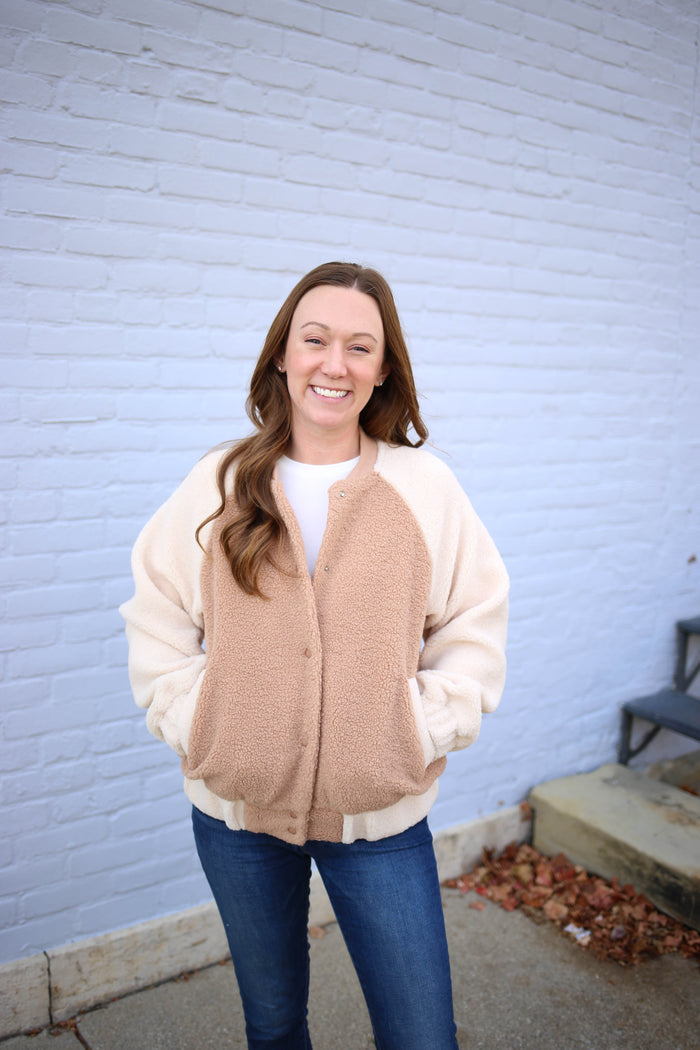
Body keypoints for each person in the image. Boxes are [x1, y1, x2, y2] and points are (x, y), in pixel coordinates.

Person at [120, 261, 509, 1050]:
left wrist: (416, 727)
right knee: (272, 1025)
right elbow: (157, 614)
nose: (335, 363)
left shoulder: (424, 487)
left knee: (421, 1036)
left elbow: (474, 622)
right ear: (283, 356)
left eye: (359, 347)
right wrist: (205, 721)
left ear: (382, 369)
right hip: (234, 816)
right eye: (316, 340)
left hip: (380, 819)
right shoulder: (220, 480)